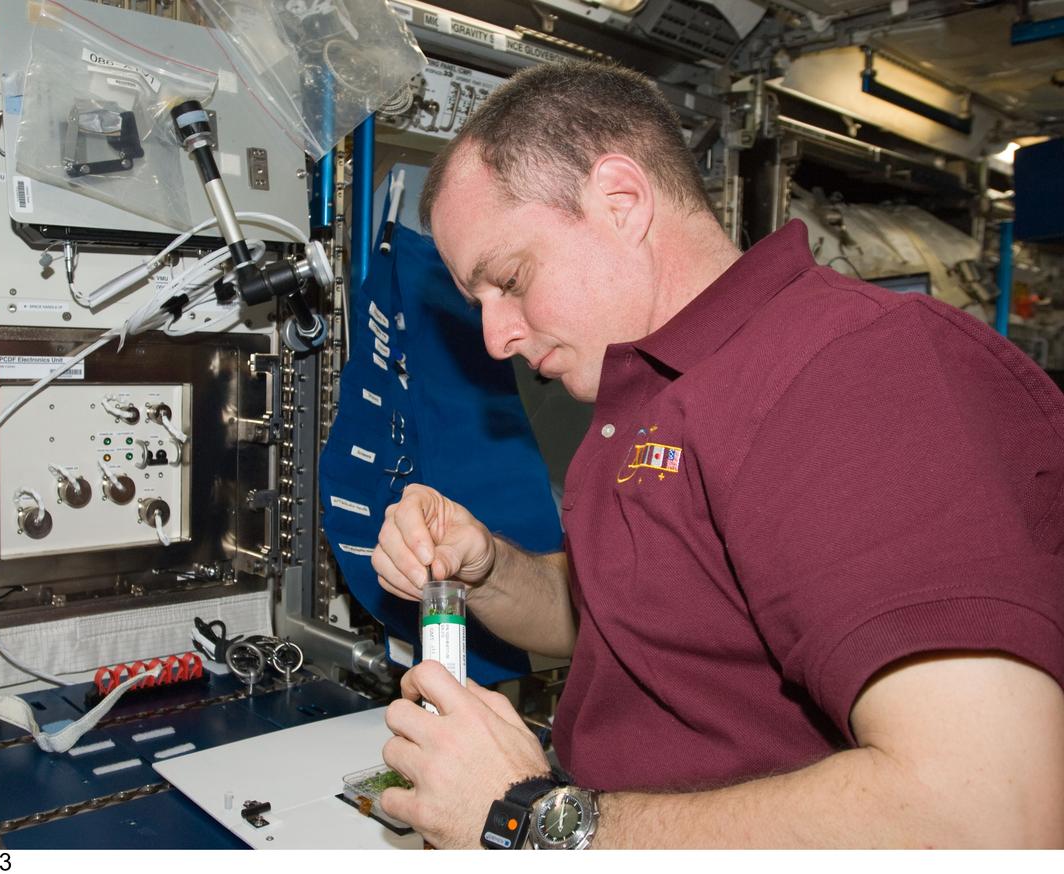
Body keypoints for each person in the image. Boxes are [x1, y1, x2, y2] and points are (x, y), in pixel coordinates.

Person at [369, 60, 1064, 849]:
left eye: (510, 279)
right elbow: (633, 622)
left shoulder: (858, 369)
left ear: (621, 201)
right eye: (479, 305)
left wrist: (532, 822)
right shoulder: (641, 390)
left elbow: (989, 817)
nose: (497, 340)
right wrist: (489, 567)